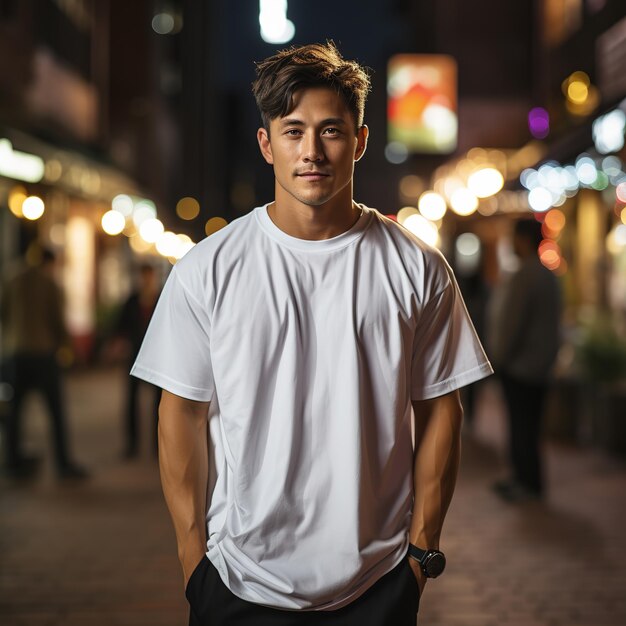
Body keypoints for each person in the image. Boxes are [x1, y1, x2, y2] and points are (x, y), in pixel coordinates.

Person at [131, 42, 492, 625]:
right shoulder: (209, 268)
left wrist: (421, 553)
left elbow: (441, 406)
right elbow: (180, 411)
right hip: (237, 580)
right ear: (266, 144)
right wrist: (192, 560)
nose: (312, 151)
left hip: (376, 581)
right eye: (293, 131)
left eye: (331, 130)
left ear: (361, 140)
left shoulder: (415, 267)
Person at [489, 218, 561, 502]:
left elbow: (511, 324)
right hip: (540, 365)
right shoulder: (547, 275)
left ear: (522, 239)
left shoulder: (524, 276)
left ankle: (525, 482)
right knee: (532, 427)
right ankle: (531, 481)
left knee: (521, 426)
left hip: (520, 366)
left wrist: (499, 358)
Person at [1, 247, 87, 480]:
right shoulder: (50, 284)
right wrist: (67, 350)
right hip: (43, 354)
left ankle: (12, 462)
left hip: (14, 353)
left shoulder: (12, 278)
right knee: (56, 412)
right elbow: (57, 320)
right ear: (49, 262)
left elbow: (3, 312)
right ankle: (63, 464)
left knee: (14, 412)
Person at [113, 263, 161, 458]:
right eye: (144, 276)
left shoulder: (160, 298)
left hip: (158, 357)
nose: (147, 280)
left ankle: (157, 444)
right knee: (131, 400)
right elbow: (120, 325)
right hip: (135, 355)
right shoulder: (132, 300)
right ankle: (132, 445)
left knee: (159, 402)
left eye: (149, 276)